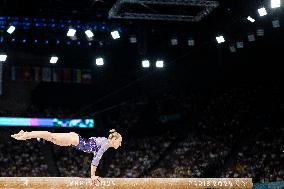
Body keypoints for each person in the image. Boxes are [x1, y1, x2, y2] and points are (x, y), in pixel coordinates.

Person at [11, 129, 122, 185]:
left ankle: (26, 134)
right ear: (114, 139)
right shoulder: (106, 144)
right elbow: (96, 159)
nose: (120, 144)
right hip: (74, 140)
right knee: (50, 136)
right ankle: (26, 135)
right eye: (119, 142)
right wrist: (92, 175)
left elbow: (93, 146)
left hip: (74, 140)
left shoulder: (105, 141)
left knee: (50, 137)